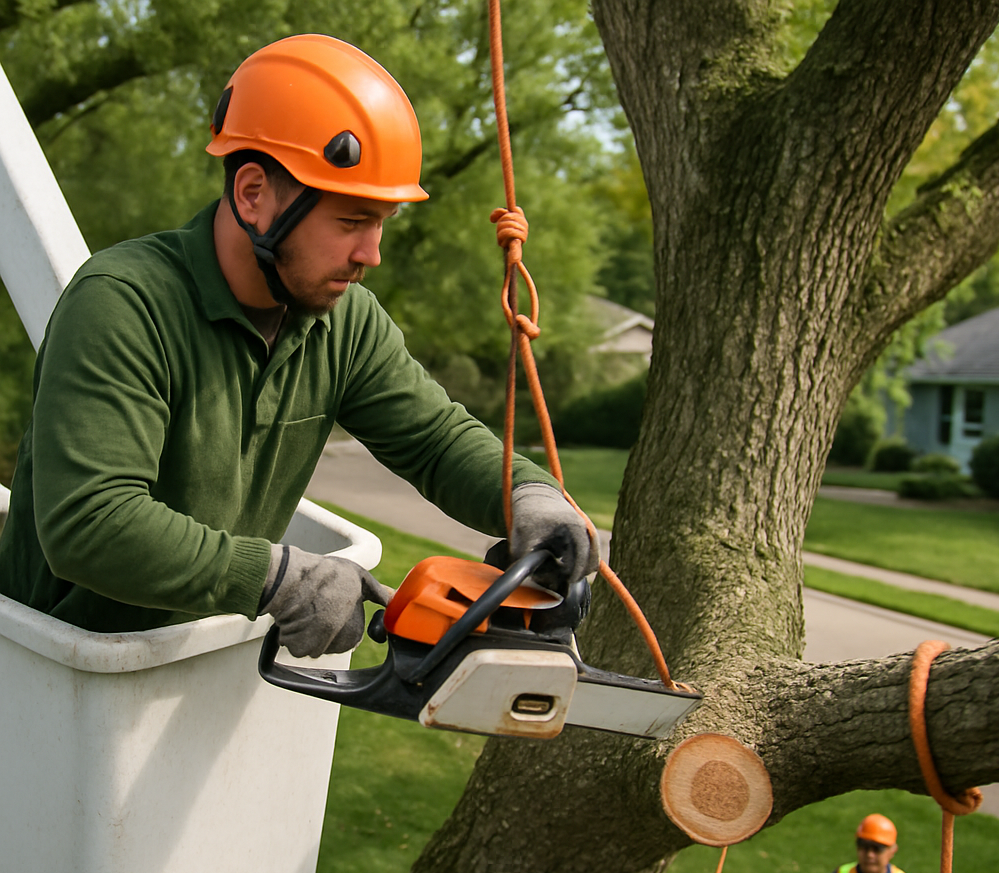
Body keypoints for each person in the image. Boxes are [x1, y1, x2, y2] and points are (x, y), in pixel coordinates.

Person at [0, 34, 597, 655]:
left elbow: (436, 440)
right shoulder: (124, 302)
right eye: (350, 221)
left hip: (208, 659)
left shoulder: (343, 320)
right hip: (61, 676)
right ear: (254, 194)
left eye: (379, 223)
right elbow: (91, 523)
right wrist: (278, 579)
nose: (372, 254)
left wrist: (529, 495)